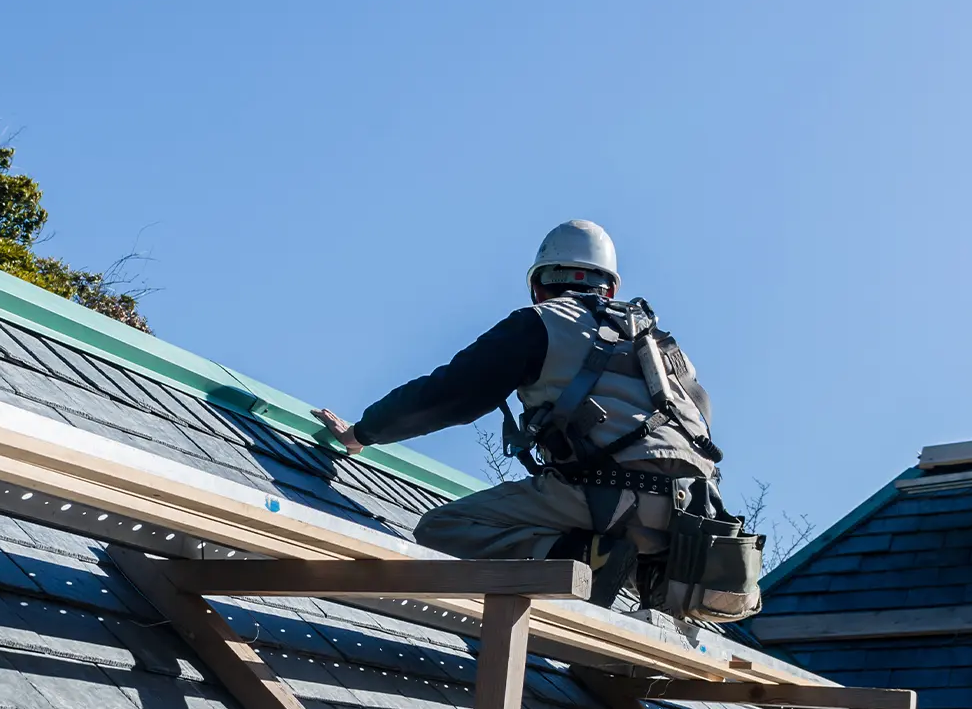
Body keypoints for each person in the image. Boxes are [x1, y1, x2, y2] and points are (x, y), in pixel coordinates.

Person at [314, 220, 760, 621]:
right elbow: (700, 421)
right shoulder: (661, 346)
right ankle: (640, 578)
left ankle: (586, 556)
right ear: (609, 287)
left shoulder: (540, 323)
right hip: (691, 513)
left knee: (441, 529)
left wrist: (362, 433)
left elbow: (449, 394)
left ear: (540, 285)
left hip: (605, 492)